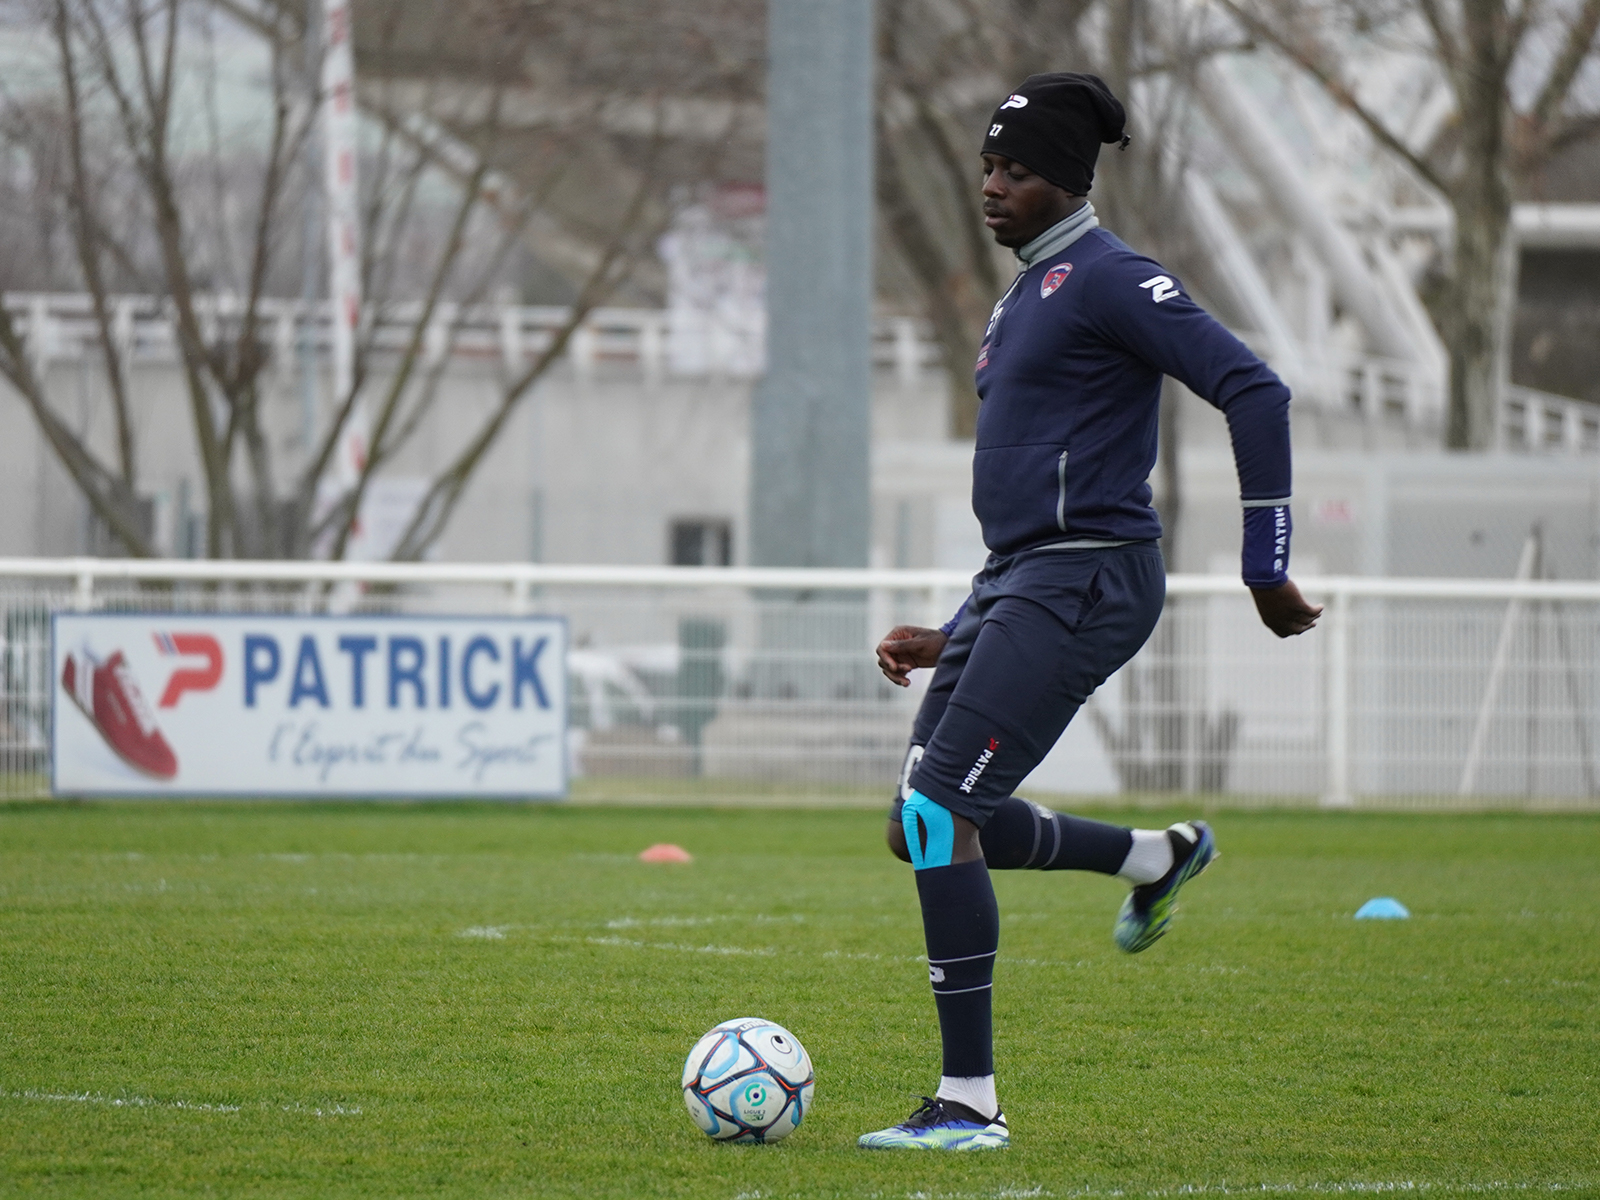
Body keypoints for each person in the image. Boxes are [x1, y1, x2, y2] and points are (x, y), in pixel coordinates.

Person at [856, 72, 1322, 1152]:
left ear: (1064, 178)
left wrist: (1266, 566)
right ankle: (1151, 859)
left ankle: (968, 1104)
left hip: (1089, 576)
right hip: (1024, 577)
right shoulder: (1024, 293)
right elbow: (1036, 492)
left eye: (1013, 170)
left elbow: (1254, 390)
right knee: (914, 827)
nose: (992, 186)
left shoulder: (1114, 279)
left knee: (940, 813)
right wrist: (953, 629)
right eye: (986, 167)